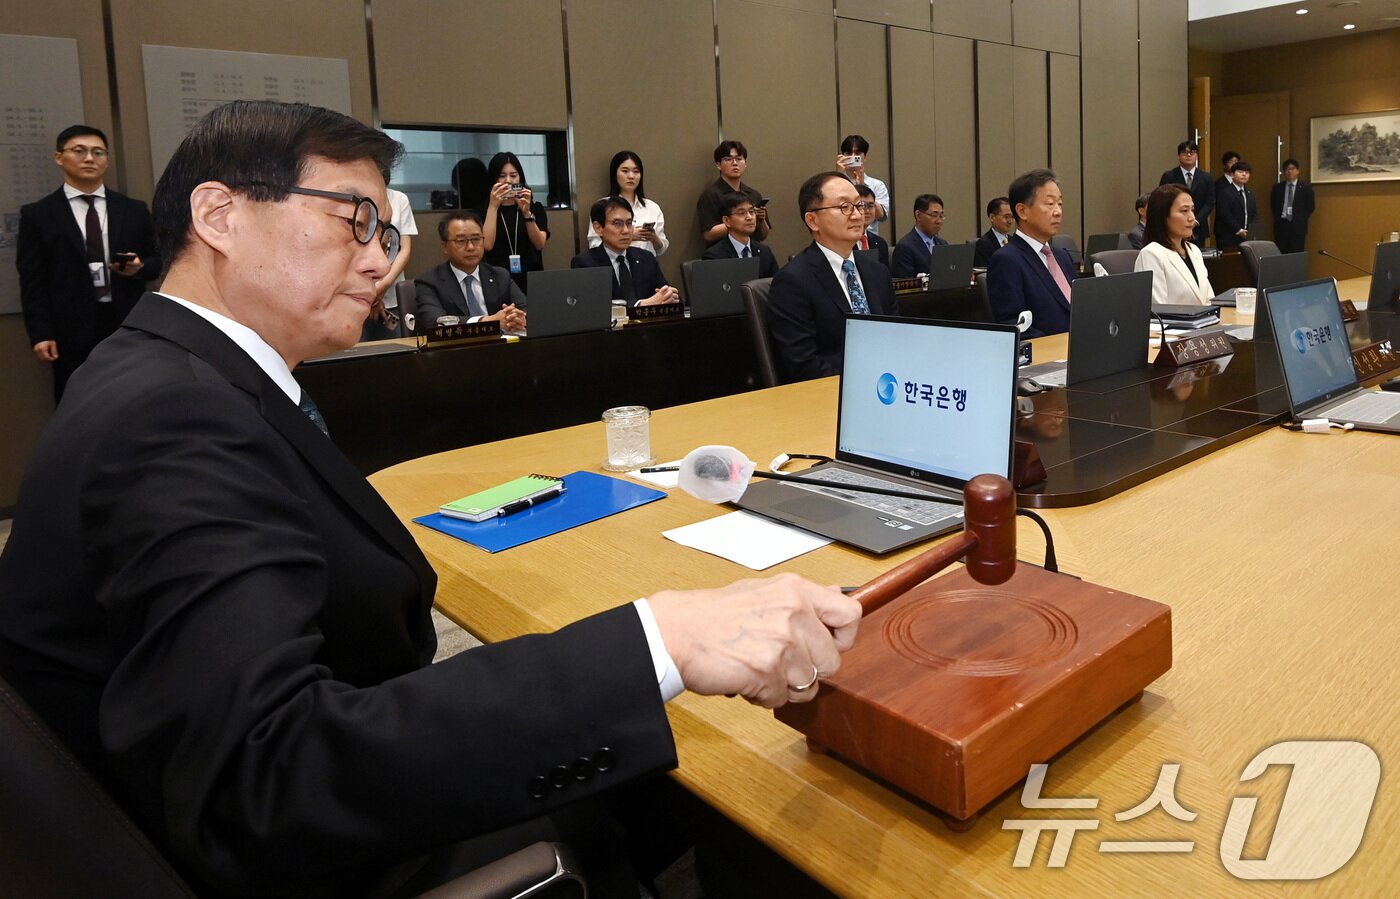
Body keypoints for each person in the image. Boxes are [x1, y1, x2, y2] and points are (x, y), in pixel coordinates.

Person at [0, 100, 861, 898]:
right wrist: (659, 639)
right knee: (759, 792)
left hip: (342, 782)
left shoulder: (183, 372)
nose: (382, 257)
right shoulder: (172, 416)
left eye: (389, 228)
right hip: (338, 857)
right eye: (356, 221)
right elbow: (266, 776)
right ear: (219, 215)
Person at [16, 124, 162, 402]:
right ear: (59, 157)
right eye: (79, 151)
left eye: (98, 152)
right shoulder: (39, 215)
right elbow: (32, 280)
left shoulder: (133, 209)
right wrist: (40, 333)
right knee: (76, 400)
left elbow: (157, 260)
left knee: (134, 397)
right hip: (69, 327)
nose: (89, 158)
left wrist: (138, 267)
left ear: (107, 159)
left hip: (127, 321)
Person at [766, 172, 898, 381]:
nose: (857, 215)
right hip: (831, 396)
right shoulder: (793, 281)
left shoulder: (878, 272)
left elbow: (896, 339)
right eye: (844, 207)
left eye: (859, 205)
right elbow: (804, 365)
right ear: (813, 220)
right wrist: (860, 387)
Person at [986, 168, 1075, 338]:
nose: (1058, 211)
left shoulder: (1062, 256)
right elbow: (1015, 325)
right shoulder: (1007, 260)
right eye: (1050, 204)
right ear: (1022, 211)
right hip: (1050, 357)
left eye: (1060, 204)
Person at [415, 210, 527, 331]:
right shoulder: (429, 282)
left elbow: (525, 308)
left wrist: (518, 318)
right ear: (444, 247)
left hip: (502, 346)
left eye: (476, 239)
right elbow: (435, 322)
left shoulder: (500, 276)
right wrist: (488, 322)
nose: (471, 247)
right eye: (461, 241)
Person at [572, 196, 679, 308]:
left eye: (629, 223)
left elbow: (664, 292)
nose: (626, 231)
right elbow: (593, 306)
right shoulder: (585, 263)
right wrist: (641, 305)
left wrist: (670, 296)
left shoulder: (646, 258)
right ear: (598, 228)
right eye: (617, 224)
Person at [1134, 184, 1215, 306]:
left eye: (1192, 210)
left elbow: (1208, 299)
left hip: (1206, 322)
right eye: (1184, 211)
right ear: (1162, 216)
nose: (1192, 218)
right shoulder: (1151, 254)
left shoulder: (1194, 250)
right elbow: (1156, 311)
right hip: (1176, 325)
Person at [482, 151, 549, 290]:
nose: (508, 181)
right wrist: (493, 206)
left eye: (513, 175)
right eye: (502, 176)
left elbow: (539, 244)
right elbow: (486, 245)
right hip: (496, 279)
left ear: (520, 178)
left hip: (531, 277)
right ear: (493, 180)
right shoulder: (484, 211)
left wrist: (526, 212)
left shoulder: (535, 208)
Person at [588, 151, 667, 256]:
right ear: (615, 174)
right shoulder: (602, 206)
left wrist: (654, 238)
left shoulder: (652, 207)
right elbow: (594, 245)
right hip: (615, 266)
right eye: (625, 171)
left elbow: (661, 250)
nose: (631, 176)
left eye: (636, 171)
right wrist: (629, 236)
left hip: (647, 267)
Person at [697, 140, 771, 244]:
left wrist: (761, 220)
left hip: (752, 251)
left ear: (745, 163)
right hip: (724, 256)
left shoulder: (753, 194)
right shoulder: (711, 195)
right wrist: (738, 222)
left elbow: (763, 235)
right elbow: (709, 234)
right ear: (718, 165)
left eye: (739, 159)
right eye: (728, 159)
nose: (735, 163)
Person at [701, 192, 779, 277]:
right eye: (741, 213)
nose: (749, 217)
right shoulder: (714, 256)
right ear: (727, 221)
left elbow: (777, 285)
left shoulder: (765, 252)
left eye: (751, 212)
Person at [1158, 141, 1213, 246]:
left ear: (1197, 156)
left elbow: (1209, 203)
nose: (1188, 155)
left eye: (1192, 152)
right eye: (1184, 152)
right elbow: (1162, 201)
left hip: (1198, 226)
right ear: (1179, 156)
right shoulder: (1169, 176)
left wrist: (1195, 221)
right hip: (1175, 225)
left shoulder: (1206, 177)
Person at [836, 134, 890, 232]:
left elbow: (881, 216)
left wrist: (862, 187)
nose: (853, 157)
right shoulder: (834, 182)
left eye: (857, 153)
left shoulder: (877, 185)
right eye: (848, 153)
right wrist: (837, 176)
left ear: (864, 157)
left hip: (868, 238)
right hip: (841, 235)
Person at [891, 193, 949, 277]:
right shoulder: (905, 247)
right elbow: (904, 284)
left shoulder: (943, 244)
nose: (939, 221)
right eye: (934, 215)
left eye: (941, 216)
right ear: (918, 215)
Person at [1271, 158, 1316, 254]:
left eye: (1292, 168)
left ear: (1298, 171)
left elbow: (1310, 206)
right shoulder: (1277, 188)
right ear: (1284, 172)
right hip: (1281, 225)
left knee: (1297, 254)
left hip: (1298, 227)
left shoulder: (1306, 187)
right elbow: (1273, 206)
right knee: (1281, 254)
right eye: (1287, 169)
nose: (1289, 171)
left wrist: (1300, 217)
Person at [1214, 159, 1257, 250]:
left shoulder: (1250, 194)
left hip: (1247, 238)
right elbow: (1225, 214)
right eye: (1240, 172)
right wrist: (1238, 230)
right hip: (1229, 237)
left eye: (1247, 172)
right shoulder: (1225, 192)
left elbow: (1254, 214)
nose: (1244, 174)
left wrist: (1252, 231)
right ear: (1232, 175)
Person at [853, 182, 890, 267]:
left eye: (870, 205)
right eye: (862, 205)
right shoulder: (842, 242)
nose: (867, 211)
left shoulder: (880, 243)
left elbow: (885, 276)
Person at [972, 196, 1014, 268]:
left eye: (1012, 217)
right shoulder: (983, 244)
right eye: (1006, 217)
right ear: (992, 217)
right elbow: (983, 274)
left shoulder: (1014, 241)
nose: (1010, 221)